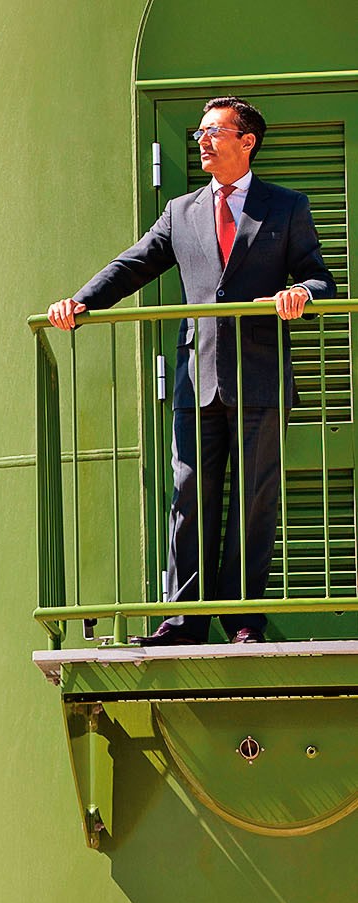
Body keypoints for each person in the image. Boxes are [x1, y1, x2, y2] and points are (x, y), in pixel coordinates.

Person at [48, 96, 336, 646]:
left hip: (260, 378)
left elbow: (321, 278)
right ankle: (184, 624)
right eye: (200, 133)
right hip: (196, 378)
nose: (202, 141)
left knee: (254, 501)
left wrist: (300, 292)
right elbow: (133, 264)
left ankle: (243, 621)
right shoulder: (181, 212)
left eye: (213, 132)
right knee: (187, 497)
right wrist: (82, 301)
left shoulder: (286, 206)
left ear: (246, 141)